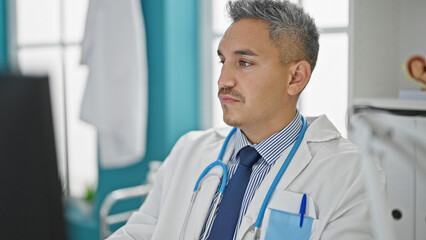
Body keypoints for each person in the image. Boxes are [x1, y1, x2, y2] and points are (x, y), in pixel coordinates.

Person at [107, 0, 385, 239]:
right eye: (222, 61)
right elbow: (138, 233)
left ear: (295, 77)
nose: (222, 80)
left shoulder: (352, 173)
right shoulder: (188, 150)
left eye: (244, 63)